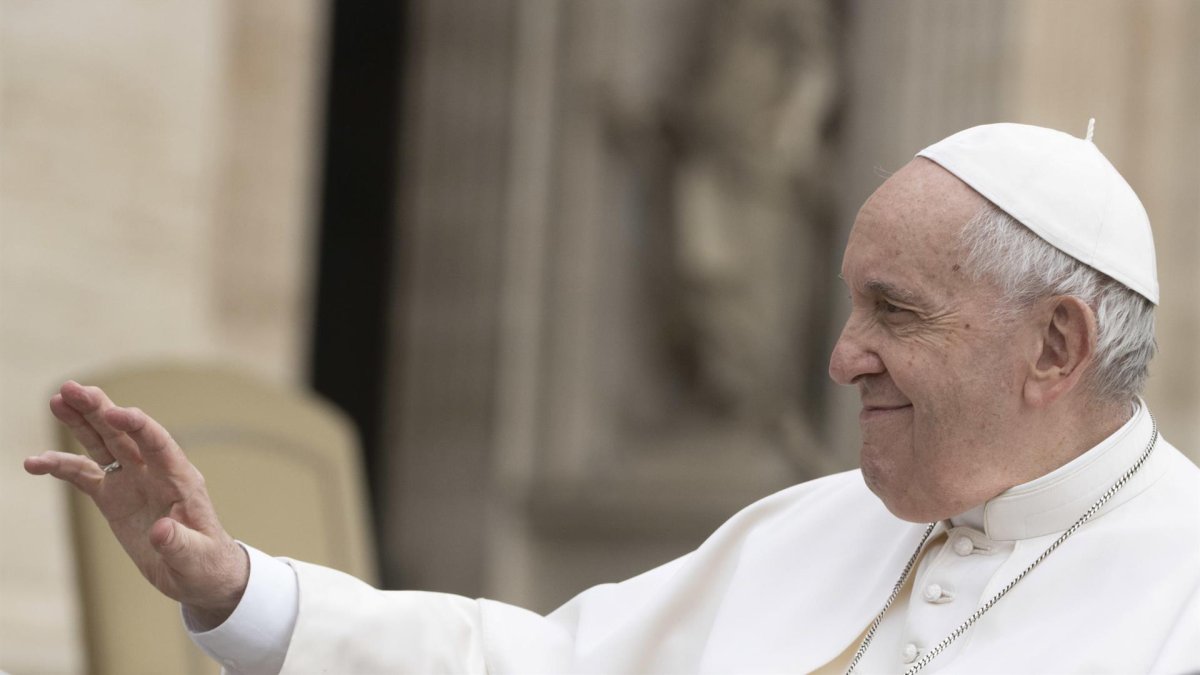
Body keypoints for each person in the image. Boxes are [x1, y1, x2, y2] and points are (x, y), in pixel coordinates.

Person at [25, 122, 1200, 674]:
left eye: (894, 312)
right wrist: (244, 591)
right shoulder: (810, 527)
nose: (842, 359)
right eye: (850, 309)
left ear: (1055, 346)